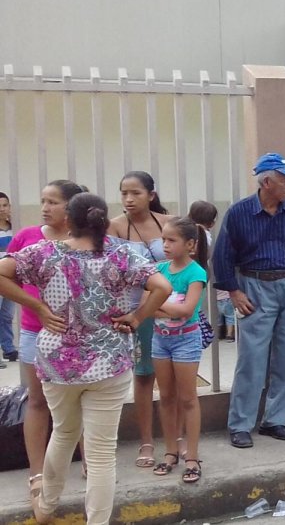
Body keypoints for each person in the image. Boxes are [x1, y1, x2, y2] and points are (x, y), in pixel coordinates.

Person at [0, 192, 172, 525]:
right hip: (109, 362)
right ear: (104, 222)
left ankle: (46, 506)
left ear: (69, 220)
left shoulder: (43, 253)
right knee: (102, 452)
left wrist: (36, 306)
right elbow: (162, 287)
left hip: (57, 363)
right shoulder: (122, 255)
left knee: (63, 432)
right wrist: (137, 317)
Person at [213, 153, 285, 448]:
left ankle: (275, 420)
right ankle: (240, 424)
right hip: (254, 287)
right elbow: (222, 255)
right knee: (252, 360)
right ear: (267, 182)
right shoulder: (239, 213)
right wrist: (234, 291)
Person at [9, 180, 88, 502]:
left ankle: (90, 461)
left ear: (71, 207)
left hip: (80, 335)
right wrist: (37, 307)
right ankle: (37, 472)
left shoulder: (84, 239)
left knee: (82, 399)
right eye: (43, 200)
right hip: (34, 331)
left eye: (53, 202)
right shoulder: (27, 237)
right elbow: (8, 278)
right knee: (37, 401)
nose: (45, 207)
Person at [106, 170, 172, 469]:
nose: (129, 199)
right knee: (143, 377)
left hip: (170, 309)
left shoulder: (168, 222)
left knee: (173, 379)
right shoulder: (116, 227)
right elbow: (114, 271)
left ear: (151, 195)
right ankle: (146, 442)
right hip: (136, 314)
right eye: (124, 193)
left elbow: (184, 263)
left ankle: (176, 439)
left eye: (136, 193)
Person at [150, 217, 210, 484]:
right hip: (160, 340)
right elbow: (146, 304)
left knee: (188, 398)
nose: (165, 245)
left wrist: (158, 305)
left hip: (186, 340)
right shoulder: (158, 269)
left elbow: (187, 311)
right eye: (163, 239)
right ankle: (170, 452)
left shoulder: (196, 273)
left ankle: (192, 457)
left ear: (190, 244)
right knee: (166, 397)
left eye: (171, 240)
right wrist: (162, 308)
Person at [188, 200, 234, 342]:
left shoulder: (186, 231)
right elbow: (206, 254)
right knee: (194, 307)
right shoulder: (205, 235)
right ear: (212, 223)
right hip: (200, 274)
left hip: (188, 274)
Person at [0, 190, 15, 363]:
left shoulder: (14, 228)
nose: (2, 209)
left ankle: (9, 349)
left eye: (5, 205)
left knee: (6, 316)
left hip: (10, 279)